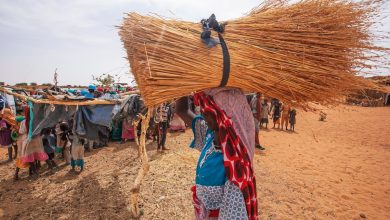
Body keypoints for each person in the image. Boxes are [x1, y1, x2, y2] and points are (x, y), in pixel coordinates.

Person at [176, 88, 258, 220]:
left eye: (207, 112)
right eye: (202, 109)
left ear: (224, 116)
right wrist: (182, 84)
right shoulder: (210, 135)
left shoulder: (235, 166)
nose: (202, 114)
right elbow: (182, 110)